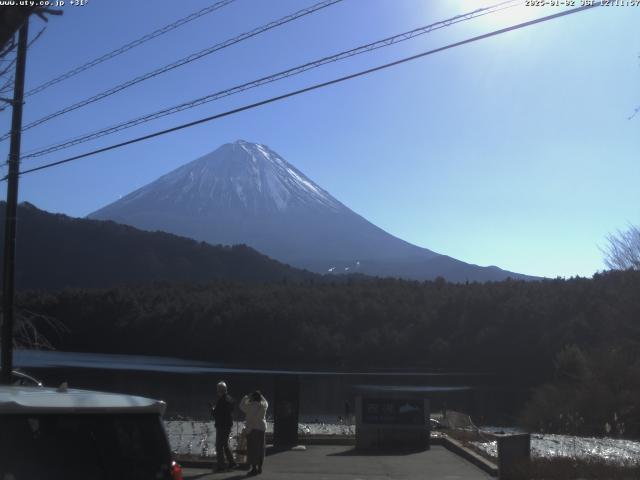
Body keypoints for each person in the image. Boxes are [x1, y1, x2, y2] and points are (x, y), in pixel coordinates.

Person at [239, 390, 268, 476]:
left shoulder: (249, 406)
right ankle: (260, 467)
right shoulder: (263, 406)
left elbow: (241, 405)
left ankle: (254, 468)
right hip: (261, 429)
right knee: (260, 449)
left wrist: (247, 396)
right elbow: (266, 402)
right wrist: (261, 395)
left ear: (253, 398)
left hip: (251, 430)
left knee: (252, 450)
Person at [210, 381, 237, 472]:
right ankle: (232, 462)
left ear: (220, 390)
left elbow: (216, 414)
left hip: (221, 425)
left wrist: (211, 409)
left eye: (218, 389)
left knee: (218, 445)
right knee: (225, 444)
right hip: (228, 424)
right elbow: (230, 409)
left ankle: (221, 465)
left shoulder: (221, 401)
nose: (217, 391)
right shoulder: (230, 399)